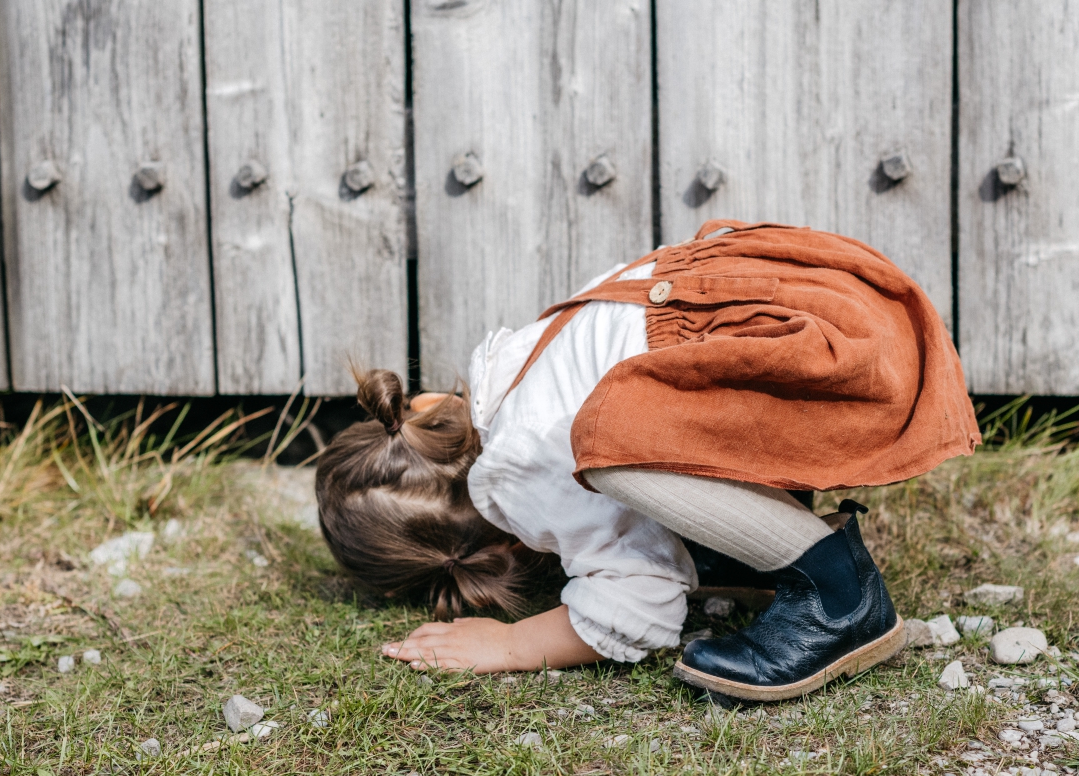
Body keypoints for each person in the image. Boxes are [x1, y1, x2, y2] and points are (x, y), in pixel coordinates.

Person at [315, 221, 979, 700]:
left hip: (838, 358)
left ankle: (840, 595)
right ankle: (741, 549)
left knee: (608, 447)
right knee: (628, 422)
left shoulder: (521, 468)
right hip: (848, 305)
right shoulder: (520, 365)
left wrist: (511, 644)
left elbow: (639, 605)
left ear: (469, 552)